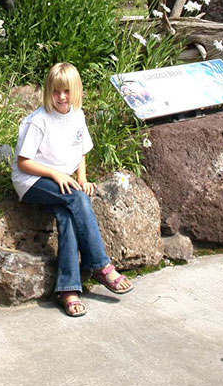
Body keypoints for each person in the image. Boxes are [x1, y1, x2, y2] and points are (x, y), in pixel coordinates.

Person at [12, 62, 134, 317]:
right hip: (33, 180)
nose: (61, 97)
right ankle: (101, 265)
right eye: (56, 92)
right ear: (49, 91)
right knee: (77, 198)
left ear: (75, 91)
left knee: (68, 216)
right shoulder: (38, 121)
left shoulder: (77, 115)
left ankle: (68, 289)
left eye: (66, 91)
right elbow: (24, 162)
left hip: (61, 180)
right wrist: (56, 174)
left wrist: (83, 177)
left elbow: (80, 150)